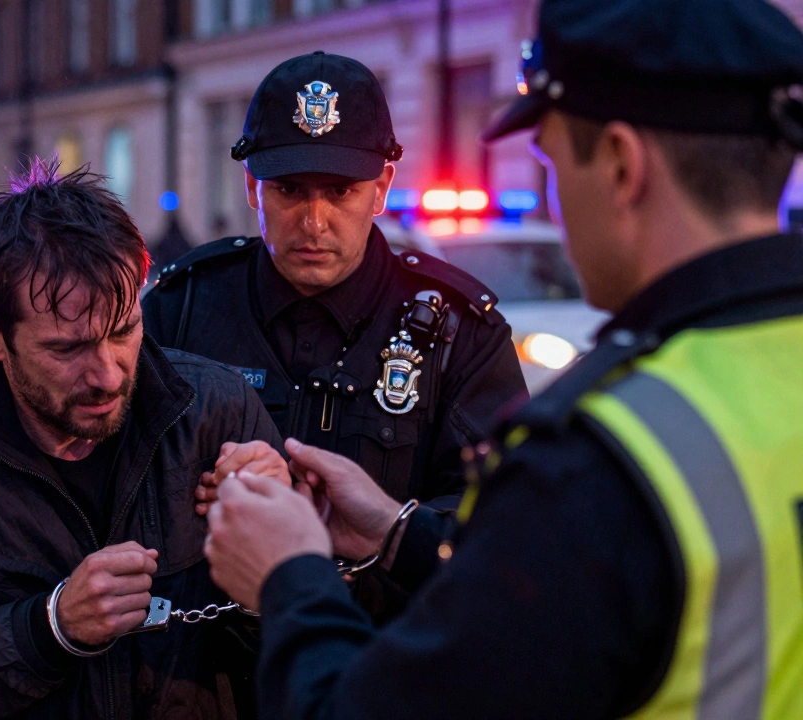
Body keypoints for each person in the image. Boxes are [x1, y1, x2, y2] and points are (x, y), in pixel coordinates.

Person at [202, 0, 803, 717]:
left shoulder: (594, 464)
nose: (554, 198)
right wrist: (398, 531)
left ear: (619, 163)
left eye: (548, 159)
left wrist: (289, 575)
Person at [0, 159, 287, 719]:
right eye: (66, 348)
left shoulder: (217, 410)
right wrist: (48, 628)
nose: (107, 373)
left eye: (122, 331)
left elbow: (307, 652)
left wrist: (280, 566)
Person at [142, 51, 527, 619]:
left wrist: (391, 529)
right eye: (290, 190)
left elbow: (507, 527)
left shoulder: (458, 333)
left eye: (341, 191)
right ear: (253, 188)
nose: (314, 222)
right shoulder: (183, 308)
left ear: (381, 188)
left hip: (378, 666)